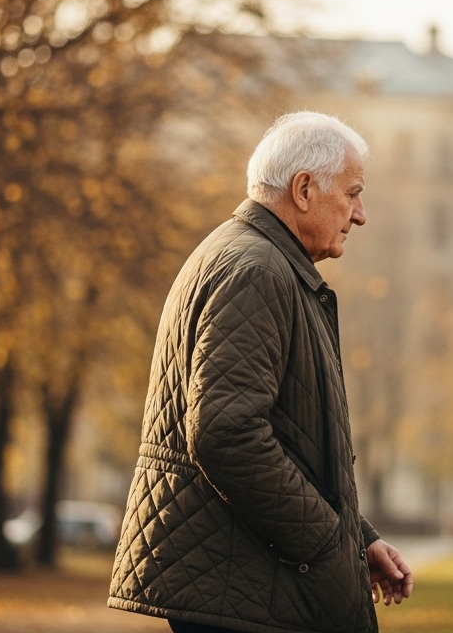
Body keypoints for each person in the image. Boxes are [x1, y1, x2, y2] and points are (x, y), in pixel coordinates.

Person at [109, 112, 412, 633]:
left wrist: (356, 539)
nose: (360, 214)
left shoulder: (256, 260)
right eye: (353, 193)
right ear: (303, 189)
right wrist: (325, 544)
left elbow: (292, 441)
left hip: (245, 584)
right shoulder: (257, 270)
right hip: (245, 594)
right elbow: (227, 433)